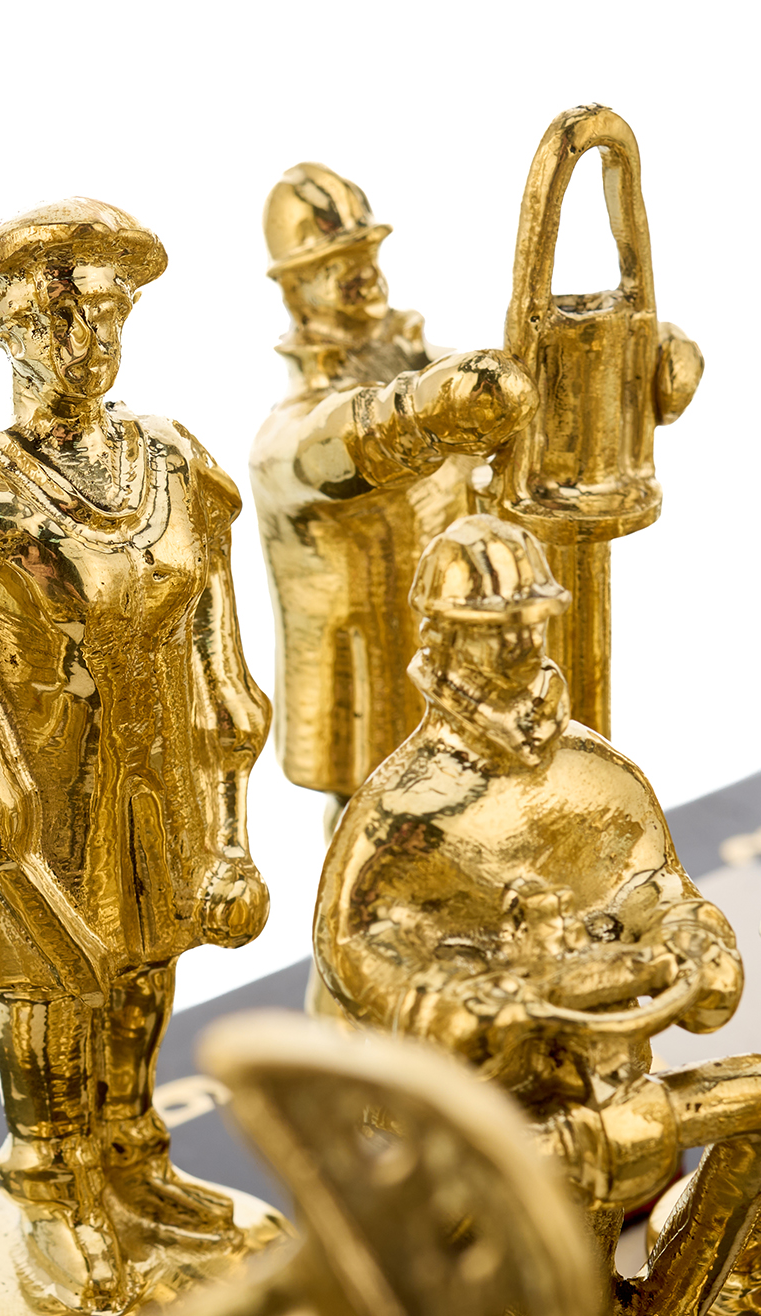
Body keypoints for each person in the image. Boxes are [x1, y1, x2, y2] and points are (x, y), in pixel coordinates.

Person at [0, 199, 272, 1310]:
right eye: (56, 323)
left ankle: (132, 1156)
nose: (85, 345)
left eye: (104, 317)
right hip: (36, 795)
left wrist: (230, 818)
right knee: (50, 989)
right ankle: (51, 1185)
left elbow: (218, 643)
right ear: (11, 337)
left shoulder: (173, 462)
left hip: (155, 777)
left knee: (145, 967)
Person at [315, 513, 761, 1311]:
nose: (520, 646)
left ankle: (684, 1291)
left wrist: (696, 938)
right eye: (493, 631)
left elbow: (653, 883)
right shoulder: (402, 808)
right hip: (468, 1125)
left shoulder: (593, 770)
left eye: (529, 623)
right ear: (441, 637)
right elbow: (355, 949)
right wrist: (464, 1001)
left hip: (603, 1083)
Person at [248, 164, 536, 833]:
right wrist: (424, 410)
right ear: (293, 290)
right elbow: (329, 449)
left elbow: (504, 392)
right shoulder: (291, 430)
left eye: (367, 255)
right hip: (368, 693)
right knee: (374, 833)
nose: (363, 275)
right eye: (335, 265)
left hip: (474, 654)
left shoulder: (430, 363)